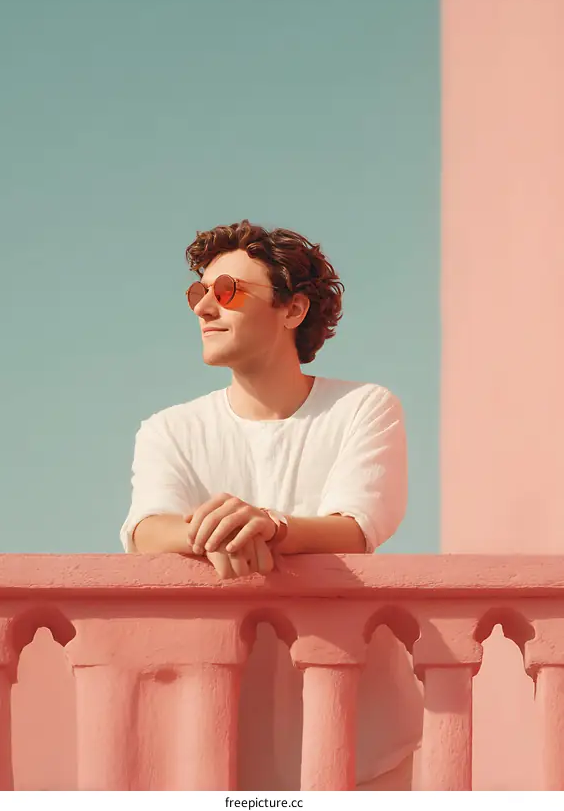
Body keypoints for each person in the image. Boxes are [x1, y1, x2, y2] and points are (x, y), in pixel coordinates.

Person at [120, 219, 421, 789]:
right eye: (198, 293)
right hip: (214, 716)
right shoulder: (169, 429)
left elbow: (357, 527)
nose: (205, 308)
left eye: (228, 291)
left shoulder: (363, 407)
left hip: (359, 714)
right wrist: (221, 531)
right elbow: (145, 530)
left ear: (292, 311)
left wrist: (272, 526)